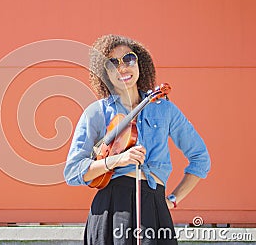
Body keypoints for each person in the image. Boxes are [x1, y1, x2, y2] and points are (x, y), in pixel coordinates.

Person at [64, 34, 211, 245]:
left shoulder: (165, 109)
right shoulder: (96, 113)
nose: (122, 67)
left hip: (154, 205)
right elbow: (73, 171)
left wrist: (172, 200)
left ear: (139, 63)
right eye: (112, 63)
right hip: (112, 207)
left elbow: (200, 159)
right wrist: (117, 160)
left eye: (129, 59)